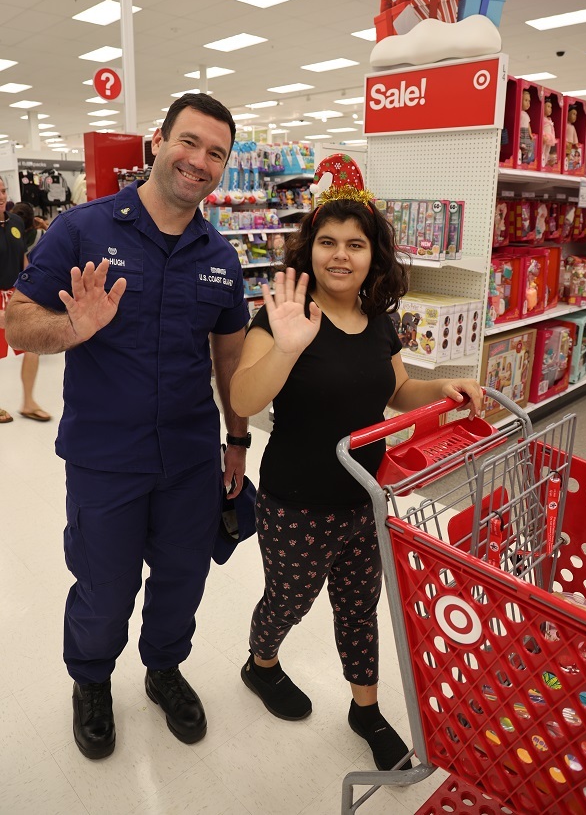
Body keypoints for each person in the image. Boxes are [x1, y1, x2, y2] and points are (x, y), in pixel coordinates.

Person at [5, 93, 250, 759]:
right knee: (105, 585)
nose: (199, 161)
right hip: (105, 457)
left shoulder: (221, 258)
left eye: (216, 153)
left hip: (192, 458)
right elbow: (18, 319)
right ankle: (90, 681)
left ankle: (164, 669)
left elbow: (229, 360)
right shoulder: (81, 231)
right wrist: (71, 328)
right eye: (190, 142)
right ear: (157, 142)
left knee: (181, 578)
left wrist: (237, 439)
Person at [229, 158, 483, 772]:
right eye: (327, 243)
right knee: (288, 600)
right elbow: (242, 399)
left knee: (359, 604)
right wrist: (287, 347)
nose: (340, 256)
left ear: (374, 255)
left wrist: (445, 386)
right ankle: (261, 664)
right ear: (309, 248)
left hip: (366, 497)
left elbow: (396, 393)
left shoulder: (378, 323)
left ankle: (365, 710)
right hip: (297, 501)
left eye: (355, 244)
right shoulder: (283, 316)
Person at [0, 179, 51, 424]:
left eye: (2, 190)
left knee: (31, 344)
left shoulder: (16, 222)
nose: (0, 195)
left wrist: (29, 291)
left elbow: (23, 259)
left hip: (15, 293)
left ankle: (28, 402)